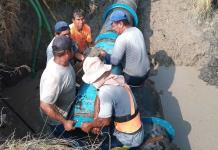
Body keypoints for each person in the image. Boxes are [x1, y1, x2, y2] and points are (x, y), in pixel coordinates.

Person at [80, 57, 144, 148]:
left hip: (130, 138)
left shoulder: (105, 92)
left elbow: (105, 121)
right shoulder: (116, 78)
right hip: (136, 130)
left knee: (101, 146)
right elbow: (98, 97)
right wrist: (96, 119)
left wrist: (89, 125)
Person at [101, 10, 150, 86]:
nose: (113, 29)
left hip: (135, 77)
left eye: (113, 26)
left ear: (121, 24)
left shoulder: (122, 38)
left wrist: (105, 55)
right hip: (147, 71)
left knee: (125, 86)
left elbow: (115, 61)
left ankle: (132, 89)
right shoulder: (137, 30)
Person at [40, 36, 76, 136]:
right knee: (68, 140)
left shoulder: (61, 62)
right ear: (67, 52)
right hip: (58, 121)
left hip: (67, 108)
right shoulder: (54, 77)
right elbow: (44, 105)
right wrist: (64, 122)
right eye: (72, 48)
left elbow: (67, 77)